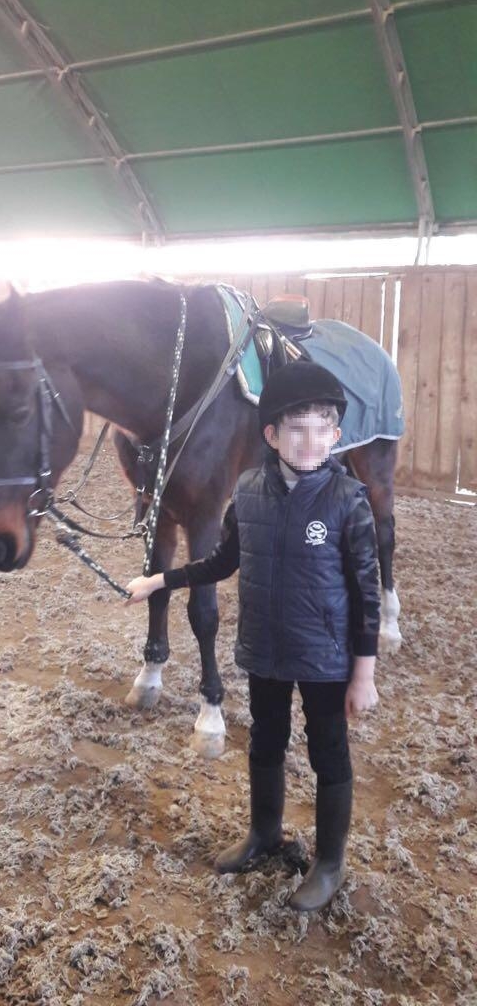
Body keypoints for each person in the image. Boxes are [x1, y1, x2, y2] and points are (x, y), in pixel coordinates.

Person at [125, 361, 380, 911]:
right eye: (296, 428)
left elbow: (367, 594)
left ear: (336, 435)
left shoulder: (347, 502)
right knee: (265, 740)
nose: (309, 441)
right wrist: (159, 580)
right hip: (265, 650)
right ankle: (265, 834)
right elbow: (220, 561)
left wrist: (364, 672)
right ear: (272, 434)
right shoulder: (249, 494)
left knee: (328, 752)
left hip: (326, 658)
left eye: (322, 429)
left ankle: (329, 863)